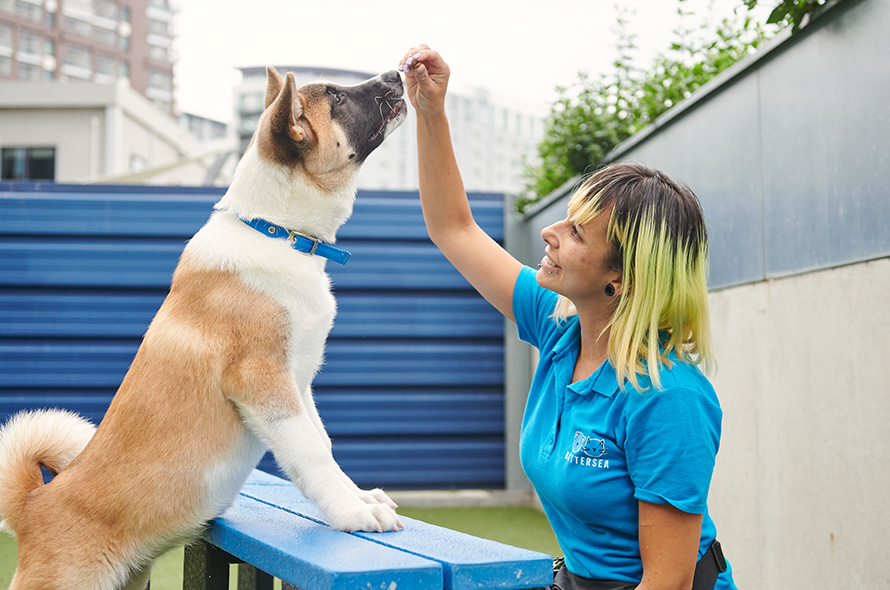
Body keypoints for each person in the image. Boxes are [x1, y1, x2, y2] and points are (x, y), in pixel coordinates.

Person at [399, 45, 737, 590]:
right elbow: (453, 227)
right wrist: (432, 112)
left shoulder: (667, 396)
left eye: (578, 232)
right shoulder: (560, 327)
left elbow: (668, 583)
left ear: (622, 279)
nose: (552, 232)